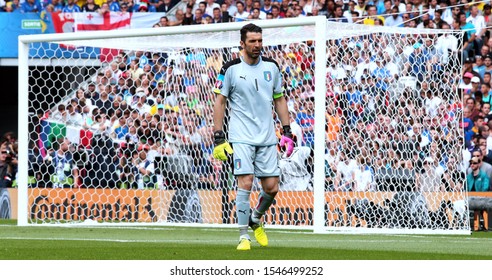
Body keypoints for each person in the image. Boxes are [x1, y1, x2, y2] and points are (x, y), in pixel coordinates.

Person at [212, 23, 294, 251]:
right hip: (240, 137)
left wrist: (286, 131)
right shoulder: (230, 68)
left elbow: (279, 99)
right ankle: (243, 236)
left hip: (267, 136)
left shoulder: (272, 67)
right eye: (252, 41)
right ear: (242, 43)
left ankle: (256, 217)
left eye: (260, 41)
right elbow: (220, 101)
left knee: (272, 188)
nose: (257, 45)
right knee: (245, 182)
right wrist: (219, 136)